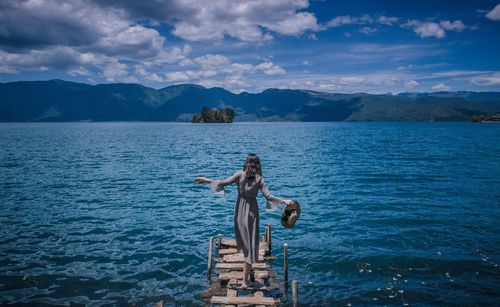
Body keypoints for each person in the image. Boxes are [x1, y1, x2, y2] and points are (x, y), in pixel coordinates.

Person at [194, 153, 293, 288]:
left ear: (246, 163)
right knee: (250, 244)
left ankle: (245, 281)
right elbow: (269, 197)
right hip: (253, 212)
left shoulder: (239, 175)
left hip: (240, 210)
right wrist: (284, 201)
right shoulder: (259, 179)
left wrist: (207, 180)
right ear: (258, 165)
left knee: (246, 245)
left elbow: (223, 183)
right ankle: (246, 277)